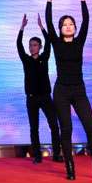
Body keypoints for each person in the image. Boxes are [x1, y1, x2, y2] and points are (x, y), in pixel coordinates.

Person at [45, 0, 92, 180]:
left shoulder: (79, 41)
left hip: (79, 90)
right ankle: (70, 167)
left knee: (91, 127)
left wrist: (82, 0)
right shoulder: (56, 42)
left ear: (75, 28)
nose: (68, 26)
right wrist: (49, 1)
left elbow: (87, 21)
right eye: (64, 24)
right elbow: (48, 23)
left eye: (71, 24)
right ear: (60, 29)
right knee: (66, 129)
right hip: (61, 91)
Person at [17, 13, 62, 164]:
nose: (32, 47)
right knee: (33, 128)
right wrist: (22, 28)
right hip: (31, 98)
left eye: (35, 45)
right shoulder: (26, 60)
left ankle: (57, 154)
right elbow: (19, 45)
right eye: (30, 45)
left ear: (40, 47)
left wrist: (42, 27)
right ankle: (37, 155)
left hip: (45, 97)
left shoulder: (44, 57)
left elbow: (49, 42)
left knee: (54, 125)